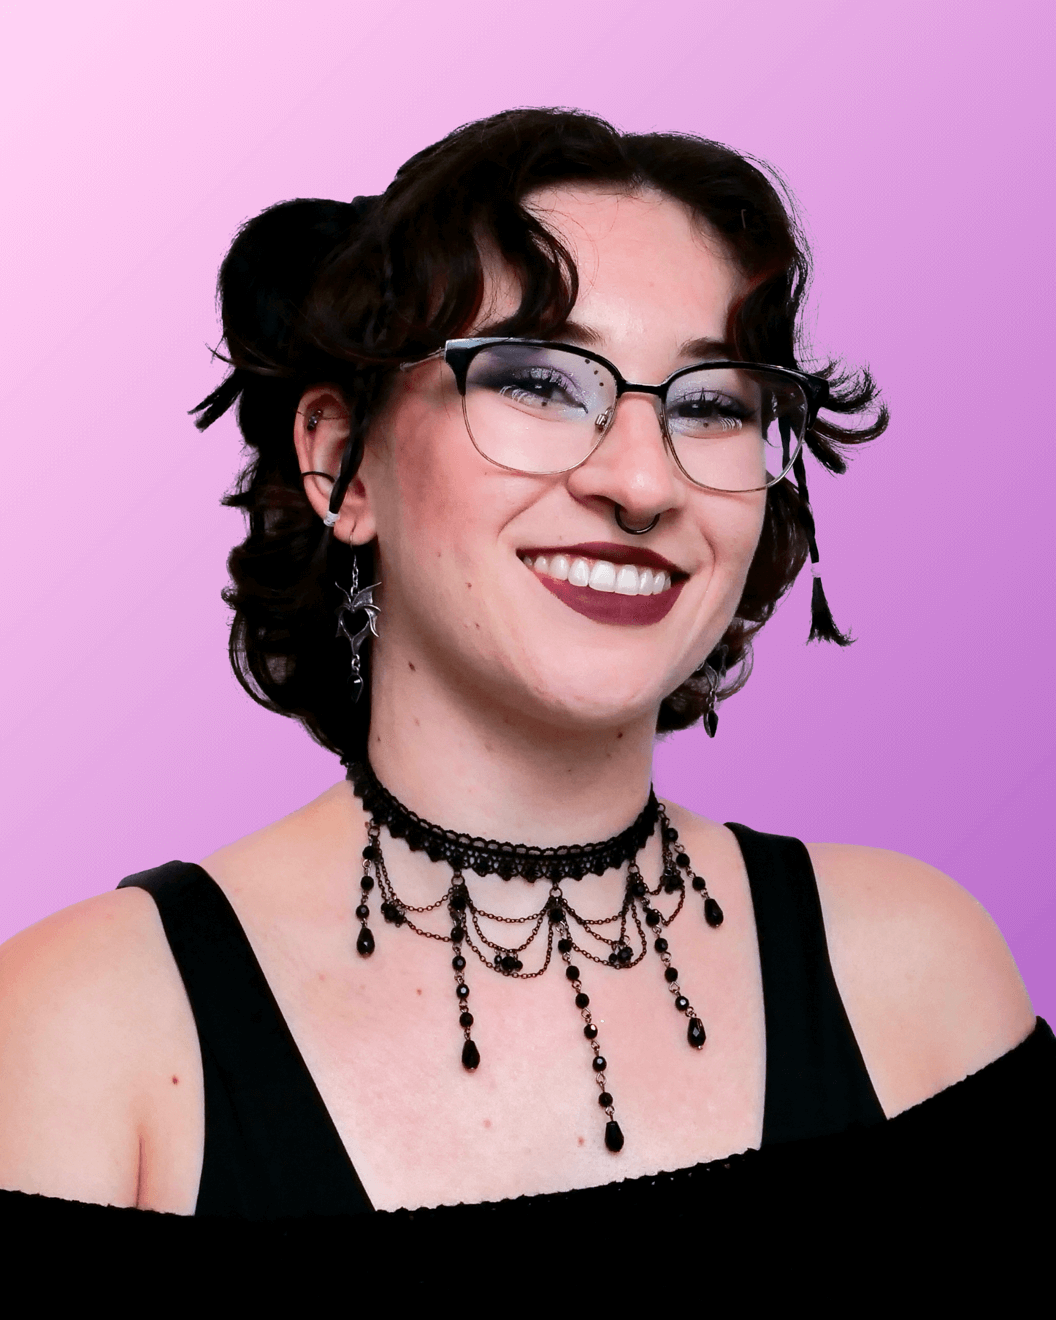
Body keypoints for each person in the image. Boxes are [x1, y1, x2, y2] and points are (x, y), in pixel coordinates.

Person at [0, 108, 1050, 1282]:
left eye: (711, 403)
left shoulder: (920, 969)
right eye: (540, 381)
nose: (643, 480)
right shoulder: (81, 1031)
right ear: (340, 462)